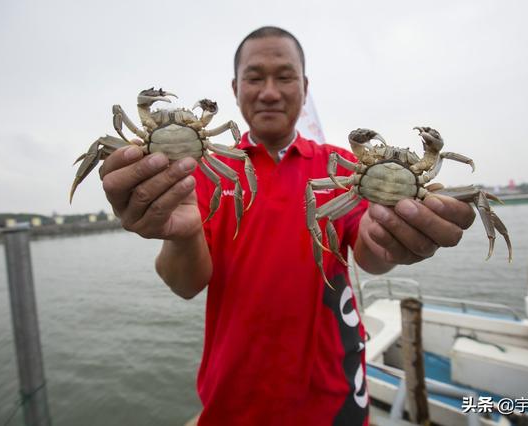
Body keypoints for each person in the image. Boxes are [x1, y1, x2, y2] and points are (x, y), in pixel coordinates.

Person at [98, 26, 475, 426]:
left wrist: (393, 241)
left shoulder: (342, 168)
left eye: (285, 76)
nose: (270, 92)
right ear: (235, 87)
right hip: (232, 401)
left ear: (305, 85)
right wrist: (183, 232)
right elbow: (186, 283)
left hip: (335, 393)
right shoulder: (203, 167)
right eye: (255, 77)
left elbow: (371, 252)